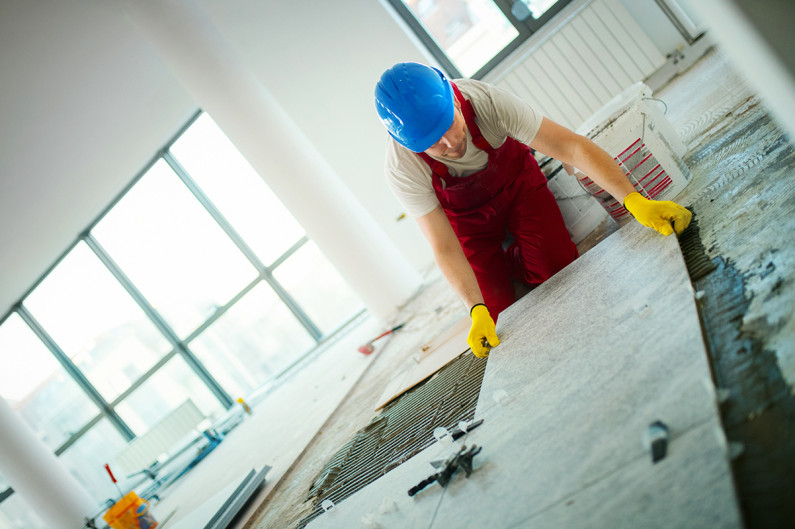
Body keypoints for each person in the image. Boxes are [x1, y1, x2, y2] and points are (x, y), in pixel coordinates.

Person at [375, 62, 691, 358]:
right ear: (408, 143)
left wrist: (635, 201)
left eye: (449, 125)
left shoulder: (486, 101)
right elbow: (443, 245)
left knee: (558, 267)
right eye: (432, 143)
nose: (449, 143)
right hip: (469, 225)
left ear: (454, 101)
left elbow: (572, 147)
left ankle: (516, 257)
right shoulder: (401, 167)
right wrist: (475, 308)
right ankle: (506, 261)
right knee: (500, 318)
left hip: (518, 188)